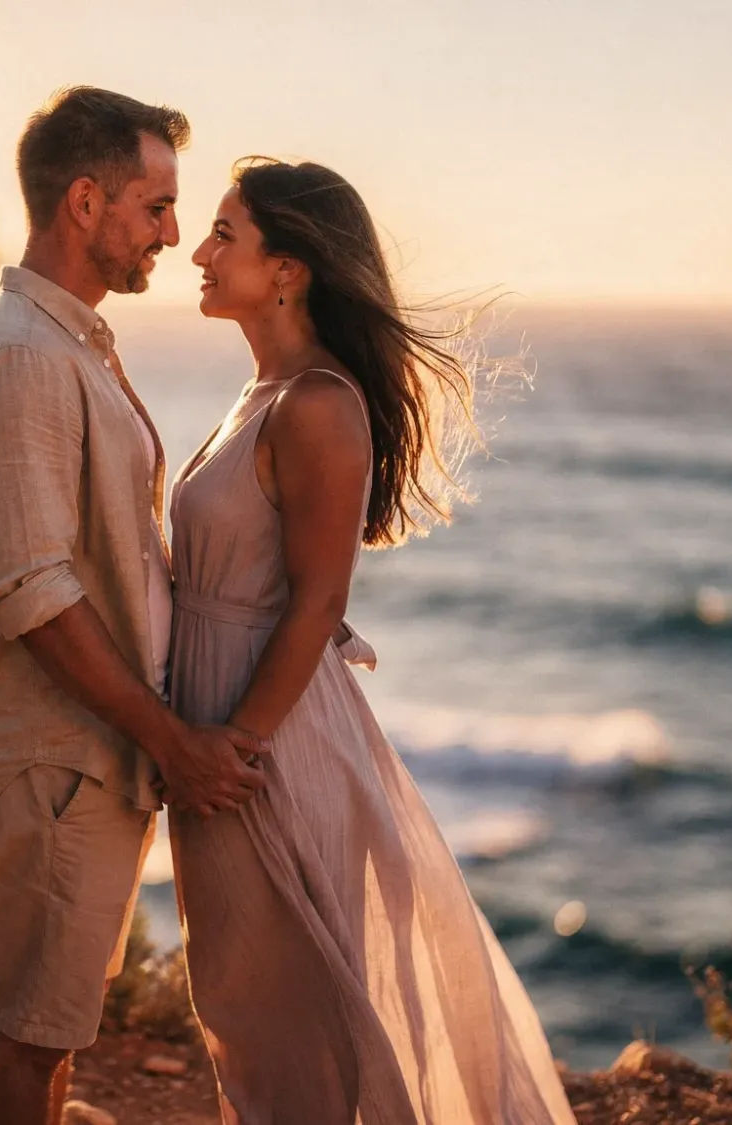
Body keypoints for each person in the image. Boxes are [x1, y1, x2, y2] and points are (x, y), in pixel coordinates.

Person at [168, 157, 580, 1124]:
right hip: (220, 732)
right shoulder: (262, 392)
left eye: (226, 233)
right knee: (243, 1008)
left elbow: (317, 603)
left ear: (288, 268)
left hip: (265, 746)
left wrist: (233, 746)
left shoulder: (317, 402)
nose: (199, 249)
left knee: (289, 1024)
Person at [0, 87, 267, 1125]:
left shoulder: (64, 342)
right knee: (25, 1036)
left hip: (81, 756)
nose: (173, 234)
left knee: (50, 1025)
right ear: (85, 203)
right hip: (56, 760)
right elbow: (34, 594)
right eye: (154, 206)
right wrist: (168, 735)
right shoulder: (24, 357)